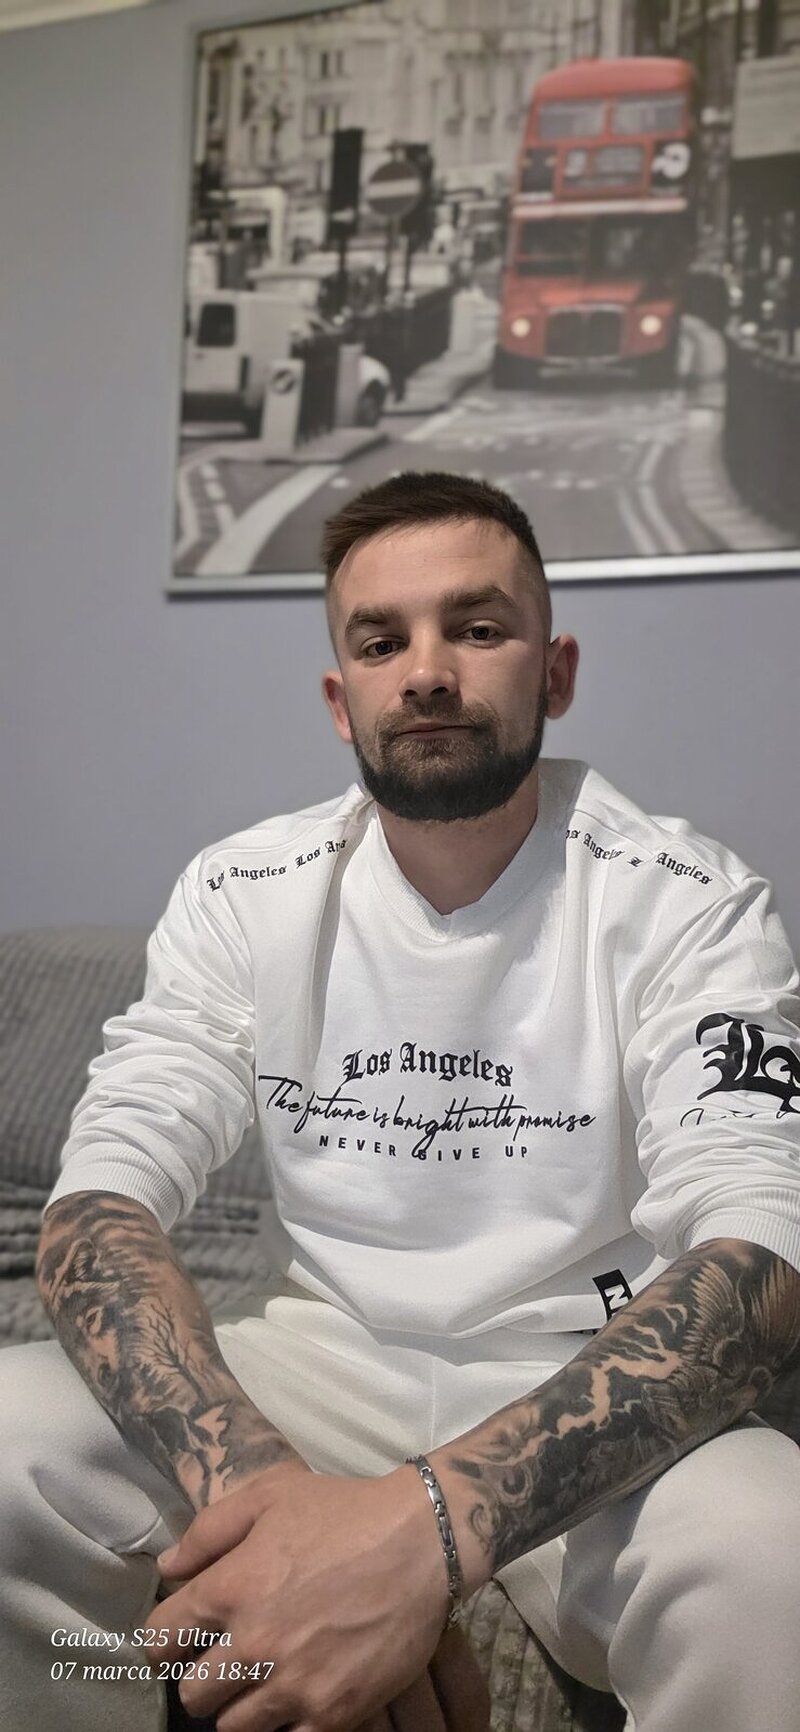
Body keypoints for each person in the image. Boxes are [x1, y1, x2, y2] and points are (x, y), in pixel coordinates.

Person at [4, 471, 800, 1732]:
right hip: (311, 1356)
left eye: (476, 628)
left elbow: (760, 1254)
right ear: (342, 700)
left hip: (578, 1365)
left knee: (773, 1557)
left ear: (554, 674)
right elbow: (99, 1203)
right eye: (380, 642)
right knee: (9, 1440)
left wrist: (420, 1533)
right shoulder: (243, 890)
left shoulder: (687, 901)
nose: (425, 672)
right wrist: (281, 1527)